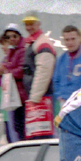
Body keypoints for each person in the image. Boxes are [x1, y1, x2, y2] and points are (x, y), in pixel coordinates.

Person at [22, 11, 56, 139]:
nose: (28, 27)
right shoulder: (32, 42)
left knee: (43, 136)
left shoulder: (42, 43)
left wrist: (34, 98)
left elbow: (44, 72)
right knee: (37, 136)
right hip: (37, 97)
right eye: (26, 24)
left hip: (42, 98)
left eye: (31, 24)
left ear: (38, 24)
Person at [53, 25, 81, 114]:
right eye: (67, 40)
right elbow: (55, 81)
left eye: (73, 39)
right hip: (63, 104)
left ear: (79, 38)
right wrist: (60, 98)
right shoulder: (61, 59)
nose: (70, 42)